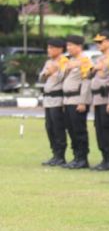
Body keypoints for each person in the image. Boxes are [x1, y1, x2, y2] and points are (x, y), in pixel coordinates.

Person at [89, 30, 109, 171]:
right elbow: (90, 76)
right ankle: (104, 157)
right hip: (98, 99)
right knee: (99, 129)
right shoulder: (99, 58)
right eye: (96, 42)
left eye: (100, 42)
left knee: (107, 129)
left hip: (107, 98)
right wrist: (94, 68)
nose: (98, 44)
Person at [61, 35, 93, 169]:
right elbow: (61, 79)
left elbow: (86, 82)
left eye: (71, 45)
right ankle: (76, 156)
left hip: (77, 99)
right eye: (67, 45)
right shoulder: (69, 61)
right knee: (71, 130)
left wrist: (82, 101)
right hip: (68, 99)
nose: (68, 48)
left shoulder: (85, 61)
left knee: (79, 130)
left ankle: (82, 158)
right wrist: (67, 68)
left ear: (79, 46)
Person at [39, 38, 69, 166]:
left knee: (58, 128)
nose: (49, 50)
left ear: (60, 49)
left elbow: (64, 79)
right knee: (49, 127)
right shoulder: (48, 62)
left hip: (58, 99)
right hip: (48, 99)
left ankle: (60, 155)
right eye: (48, 47)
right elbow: (41, 78)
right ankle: (55, 154)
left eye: (52, 48)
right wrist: (47, 73)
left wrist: (57, 70)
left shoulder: (64, 62)